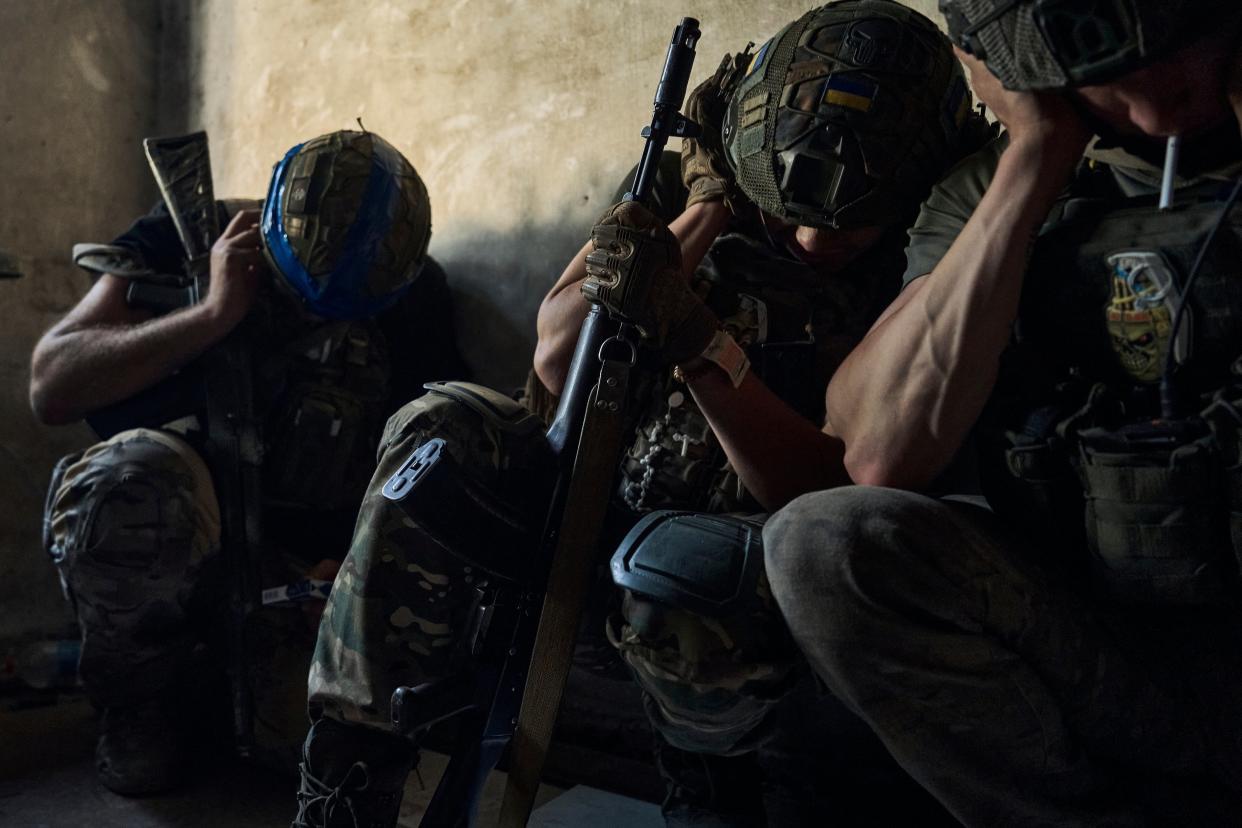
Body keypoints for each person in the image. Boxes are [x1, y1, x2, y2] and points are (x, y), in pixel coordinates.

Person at [293, 3, 991, 826]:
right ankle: (347, 775)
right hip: (586, 503)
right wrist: (712, 206)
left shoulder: (925, 253)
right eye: (786, 203)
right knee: (437, 427)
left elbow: (823, 482)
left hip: (724, 574)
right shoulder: (697, 180)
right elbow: (556, 354)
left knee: (690, 573)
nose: (809, 236)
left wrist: (695, 339)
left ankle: (708, 796)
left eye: (849, 219)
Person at [761, 1, 1242, 824]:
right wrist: (1038, 155)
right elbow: (878, 453)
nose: (1158, 111)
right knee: (823, 543)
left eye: (1178, 53)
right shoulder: (994, 182)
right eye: (1107, 83)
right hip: (1101, 647)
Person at [30, 129, 464, 796]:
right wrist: (212, 314)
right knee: (131, 484)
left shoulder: (412, 290)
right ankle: (140, 699)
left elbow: (418, 459)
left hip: (300, 577)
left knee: (300, 756)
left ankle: (206, 683)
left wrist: (353, 567)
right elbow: (53, 385)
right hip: (177, 544)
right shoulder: (187, 233)